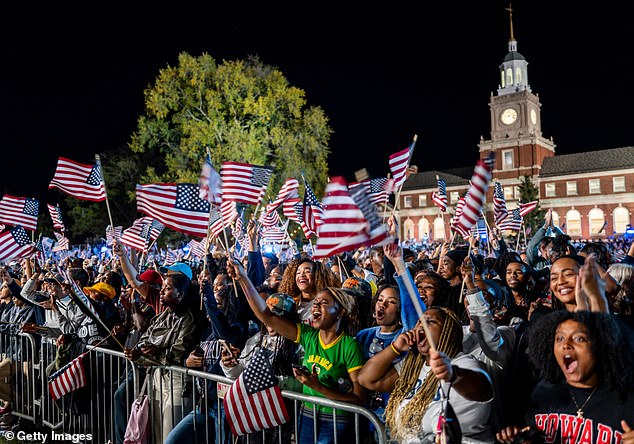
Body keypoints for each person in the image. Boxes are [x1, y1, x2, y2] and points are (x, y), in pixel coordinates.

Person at [227, 259, 366, 444]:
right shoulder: (309, 336)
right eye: (315, 303)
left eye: (323, 303)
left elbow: (359, 398)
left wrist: (318, 387)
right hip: (307, 415)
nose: (315, 306)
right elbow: (266, 316)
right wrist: (243, 278)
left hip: (334, 419)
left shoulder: (350, 346)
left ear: (339, 312)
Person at [357, 307, 494, 443]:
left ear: (448, 331)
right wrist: (395, 348)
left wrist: (454, 374)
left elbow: (484, 391)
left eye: (431, 321)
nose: (421, 325)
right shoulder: (413, 368)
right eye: (419, 322)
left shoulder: (463, 363)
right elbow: (366, 379)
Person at [496, 310, 634, 444]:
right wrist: (522, 438)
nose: (566, 344)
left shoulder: (625, 399)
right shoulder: (544, 391)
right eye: (560, 338)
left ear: (602, 347)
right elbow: (535, 435)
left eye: (579, 338)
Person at [124, 272, 200, 444]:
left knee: (170, 434)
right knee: (157, 433)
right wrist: (139, 352)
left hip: (178, 382)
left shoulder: (190, 319)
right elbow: (145, 338)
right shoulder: (163, 315)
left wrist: (151, 353)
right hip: (158, 378)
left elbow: (177, 354)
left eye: (168, 288)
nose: (161, 291)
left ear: (181, 294)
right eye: (163, 287)